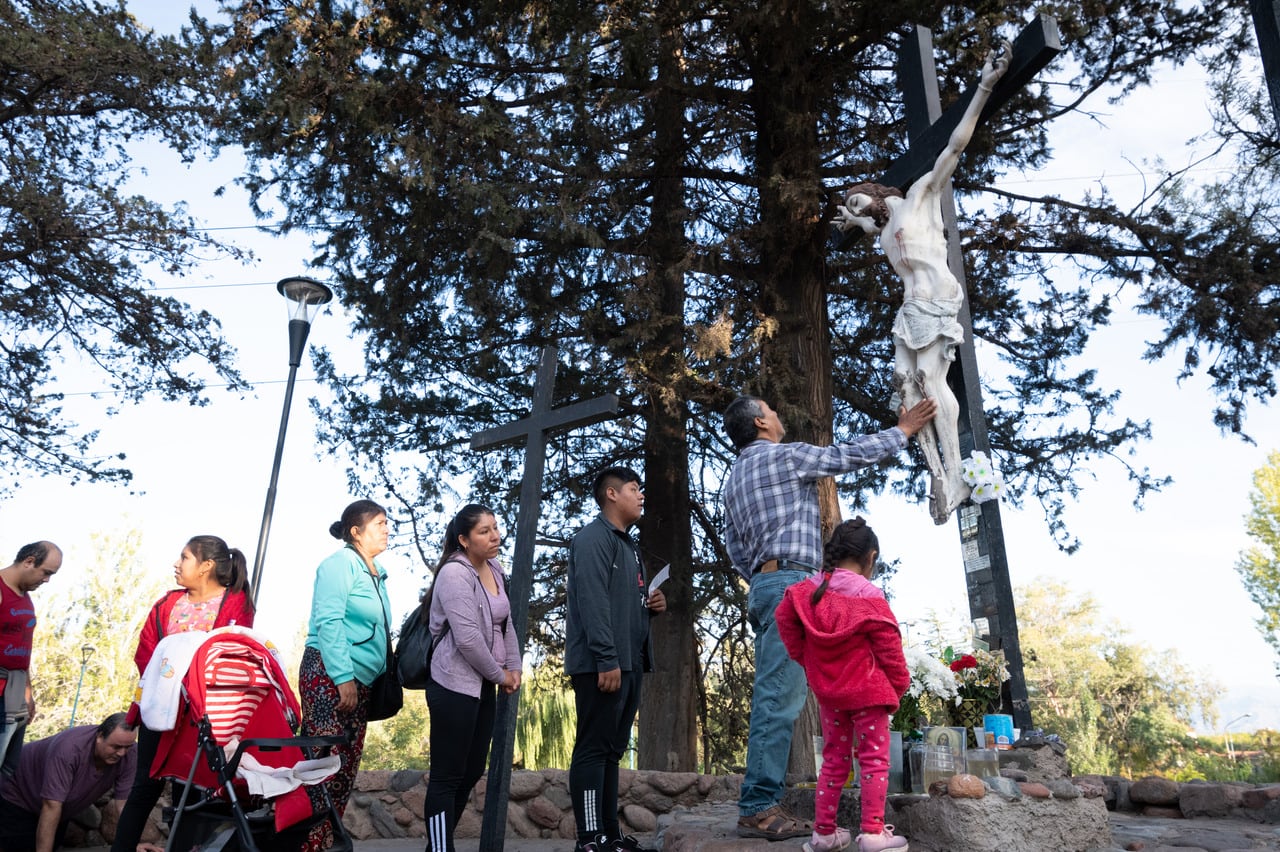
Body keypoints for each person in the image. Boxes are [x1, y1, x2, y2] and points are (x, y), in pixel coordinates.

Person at [722, 396, 934, 841]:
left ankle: (772, 803)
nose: (781, 415)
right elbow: (847, 455)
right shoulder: (786, 455)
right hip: (791, 585)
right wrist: (904, 432)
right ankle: (758, 806)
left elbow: (736, 549)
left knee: (776, 694)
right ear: (761, 421)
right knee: (779, 699)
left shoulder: (733, 479)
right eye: (773, 411)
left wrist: (766, 578)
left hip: (766, 587)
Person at [834, 40, 1012, 525]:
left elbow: (954, 145)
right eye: (852, 209)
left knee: (933, 381)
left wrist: (984, 86)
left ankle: (957, 472)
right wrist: (852, 226)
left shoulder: (919, 198)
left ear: (875, 194)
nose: (855, 210)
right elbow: (871, 227)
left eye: (856, 202)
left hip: (936, 299)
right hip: (910, 310)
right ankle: (936, 469)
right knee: (906, 389)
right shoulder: (882, 232)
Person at [111, 536, 254, 852]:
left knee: (189, 791)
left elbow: (233, 654)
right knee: (144, 787)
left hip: (202, 713)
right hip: (161, 708)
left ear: (206, 566)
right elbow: (146, 654)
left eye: (185, 557)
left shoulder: (234, 604)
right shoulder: (166, 605)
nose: (177, 563)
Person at [775, 518, 910, 852]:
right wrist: (899, 686)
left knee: (834, 760)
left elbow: (783, 618)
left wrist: (806, 659)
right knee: (874, 760)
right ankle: (874, 833)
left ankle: (823, 834)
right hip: (869, 692)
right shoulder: (870, 597)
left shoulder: (808, 592)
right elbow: (890, 650)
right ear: (870, 557)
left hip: (830, 694)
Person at [565, 467, 667, 852]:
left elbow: (622, 602)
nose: (641, 495)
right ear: (611, 494)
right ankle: (589, 838)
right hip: (601, 665)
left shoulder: (628, 545)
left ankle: (608, 834)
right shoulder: (593, 539)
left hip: (629, 663)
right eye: (633, 488)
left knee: (611, 749)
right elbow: (592, 602)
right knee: (593, 748)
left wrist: (653, 605)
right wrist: (606, 658)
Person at [421, 504, 521, 852]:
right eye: (484, 531)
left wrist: (516, 667)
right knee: (447, 776)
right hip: (452, 684)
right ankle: (439, 848)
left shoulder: (495, 568)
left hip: (483, 686)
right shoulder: (453, 574)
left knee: (472, 769)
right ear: (463, 539)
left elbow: (504, 624)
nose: (494, 536)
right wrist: (501, 674)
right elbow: (467, 639)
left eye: (495, 528)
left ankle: (439, 843)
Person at [298, 499, 391, 852]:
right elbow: (329, 620)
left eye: (386, 522)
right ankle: (303, 842)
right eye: (379, 523)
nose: (386, 528)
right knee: (321, 764)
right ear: (356, 531)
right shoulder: (339, 564)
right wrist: (342, 676)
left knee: (344, 771)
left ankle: (324, 842)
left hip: (358, 680)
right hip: (329, 672)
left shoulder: (376, 572)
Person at [0, 712, 136, 852]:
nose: (122, 753)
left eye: (128, 747)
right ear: (100, 737)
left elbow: (124, 804)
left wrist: (134, 843)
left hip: (61, 809)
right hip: (18, 793)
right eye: (116, 747)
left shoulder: (130, 754)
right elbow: (51, 805)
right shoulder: (69, 749)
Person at [0, 541, 62, 778]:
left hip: (15, 693)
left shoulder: (25, 597)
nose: (46, 580)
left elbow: (22, 649)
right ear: (28, 561)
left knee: (8, 767)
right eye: (46, 572)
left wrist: (28, 692)